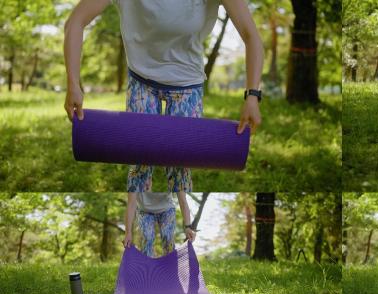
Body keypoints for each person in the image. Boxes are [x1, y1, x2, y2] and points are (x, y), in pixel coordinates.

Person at [64, 0, 263, 192]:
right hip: (141, 79)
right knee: (139, 163)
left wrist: (252, 96)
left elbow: (250, 35)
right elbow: (75, 22)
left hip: (186, 84)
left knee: (180, 167)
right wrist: (73, 84)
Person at [123, 192, 196, 257]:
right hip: (144, 210)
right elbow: (131, 204)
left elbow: (183, 201)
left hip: (167, 209)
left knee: (167, 237)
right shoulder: (135, 178)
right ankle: (148, 268)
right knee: (147, 238)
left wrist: (188, 227)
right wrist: (128, 233)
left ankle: (169, 266)